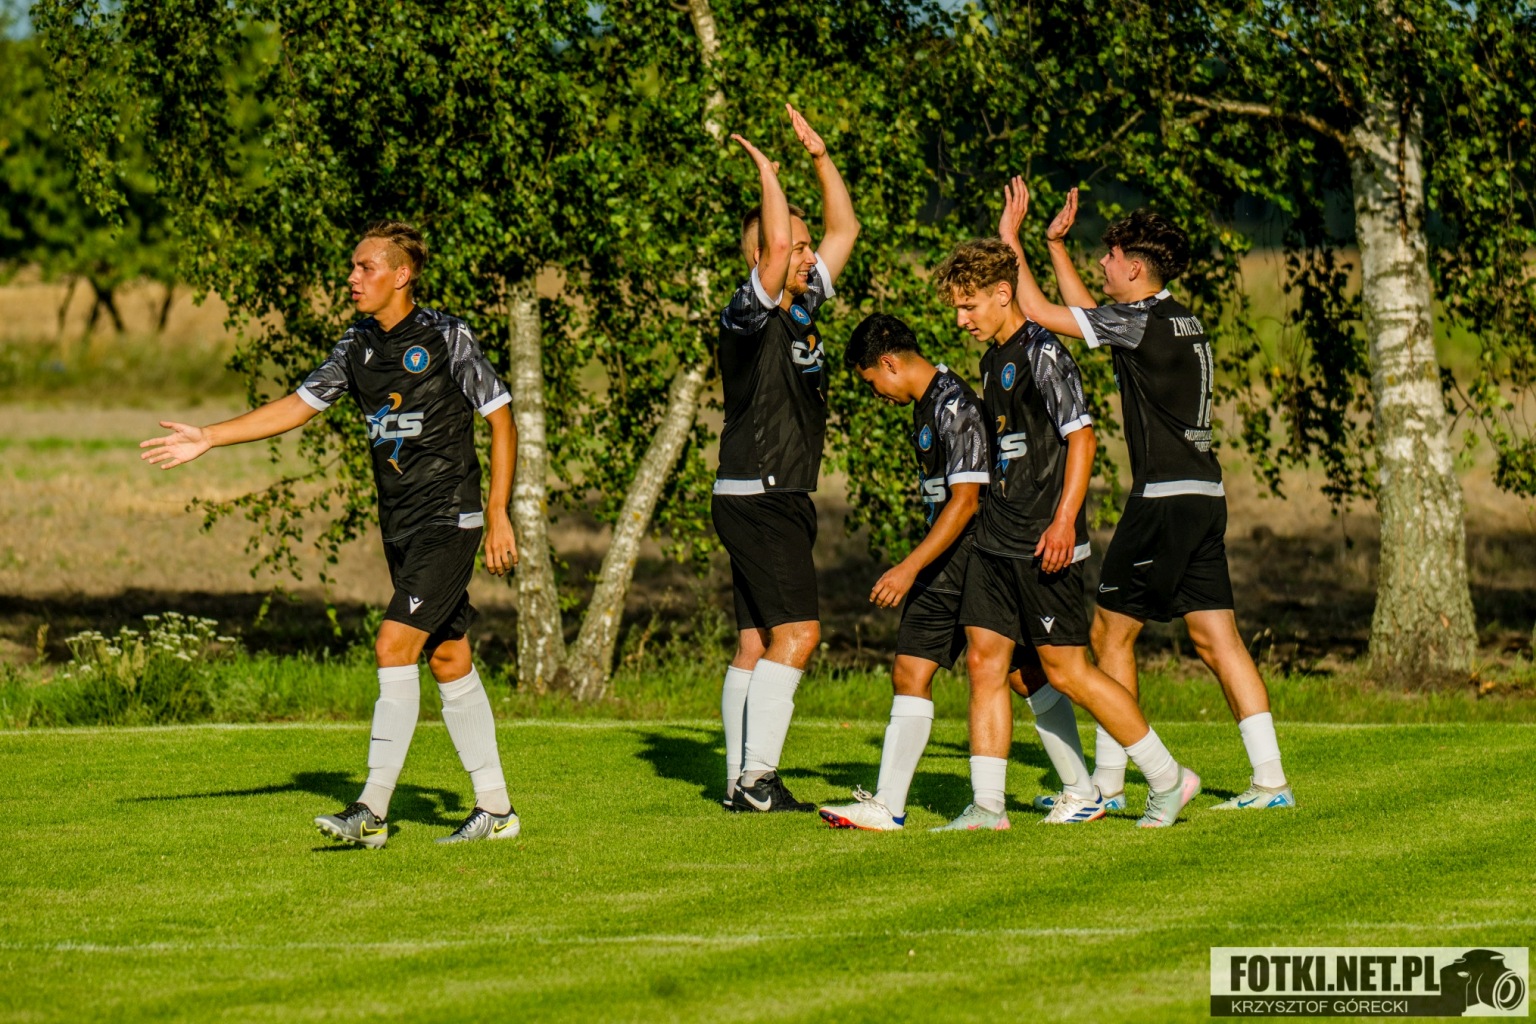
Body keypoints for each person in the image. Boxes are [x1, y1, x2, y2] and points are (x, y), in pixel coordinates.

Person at [140, 221, 523, 847]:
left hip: (448, 517)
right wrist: (209, 436)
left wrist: (499, 512)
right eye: (352, 267)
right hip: (399, 524)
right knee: (448, 657)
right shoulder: (355, 345)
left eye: (365, 267)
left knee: (392, 646)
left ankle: (371, 811)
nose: (352, 278)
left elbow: (501, 419)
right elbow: (297, 406)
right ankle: (497, 811)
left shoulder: (446, 336)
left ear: (401, 275)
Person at [999, 179, 1295, 811]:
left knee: (1109, 636)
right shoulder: (1174, 318)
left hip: (1162, 499)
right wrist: (1055, 247)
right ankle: (1271, 782)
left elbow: (1043, 314)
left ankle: (1108, 783)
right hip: (1205, 495)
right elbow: (1091, 319)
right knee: (1217, 640)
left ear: (1134, 268)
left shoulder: (1138, 323)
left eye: (1109, 256)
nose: (1102, 263)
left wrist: (1011, 242)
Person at [931, 230, 1201, 831]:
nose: (961, 319)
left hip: (1043, 540)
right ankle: (988, 807)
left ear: (1003, 294)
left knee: (1068, 671)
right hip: (997, 538)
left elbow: (1082, 439)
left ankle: (1168, 779)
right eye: (957, 308)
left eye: (969, 305)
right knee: (986, 661)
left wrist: (1062, 521)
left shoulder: (1043, 351)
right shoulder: (992, 359)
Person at [714, 105, 859, 813]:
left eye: (805, 248)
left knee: (756, 643)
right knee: (799, 635)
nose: (806, 255)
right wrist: (768, 173)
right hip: (762, 492)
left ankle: (738, 780)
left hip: (767, 493)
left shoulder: (801, 307)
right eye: (795, 248)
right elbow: (775, 248)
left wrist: (820, 158)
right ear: (762, 260)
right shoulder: (750, 313)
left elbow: (845, 230)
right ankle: (757, 780)